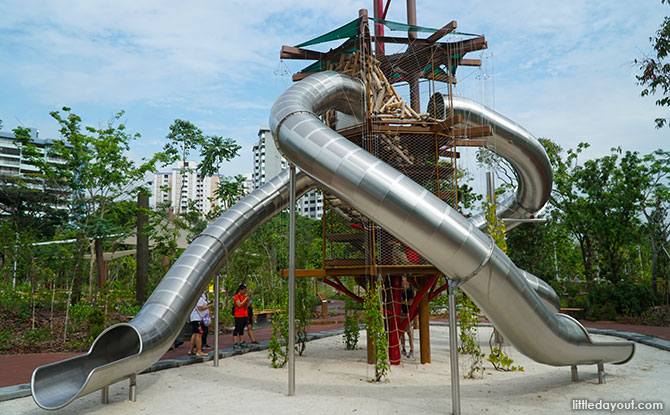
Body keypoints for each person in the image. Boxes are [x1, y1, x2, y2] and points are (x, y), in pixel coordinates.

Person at [188, 291, 209, 356]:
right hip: (197, 318)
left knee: (195, 334)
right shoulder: (199, 299)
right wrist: (208, 306)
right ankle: (198, 350)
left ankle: (191, 350)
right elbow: (200, 308)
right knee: (199, 334)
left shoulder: (196, 297)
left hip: (195, 317)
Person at [400, 278, 415, 359]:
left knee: (409, 332)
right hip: (401, 314)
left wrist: (401, 302)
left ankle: (411, 350)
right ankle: (403, 349)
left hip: (408, 314)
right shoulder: (400, 291)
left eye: (403, 281)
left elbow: (410, 302)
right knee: (401, 333)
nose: (401, 283)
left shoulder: (409, 291)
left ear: (407, 282)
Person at [233, 283, 250, 349]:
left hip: (244, 314)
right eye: (244, 290)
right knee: (237, 328)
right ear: (241, 290)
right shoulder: (237, 297)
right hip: (238, 315)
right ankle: (235, 342)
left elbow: (245, 307)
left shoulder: (244, 297)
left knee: (242, 328)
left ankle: (242, 341)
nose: (245, 292)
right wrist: (245, 299)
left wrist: (247, 301)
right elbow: (239, 305)